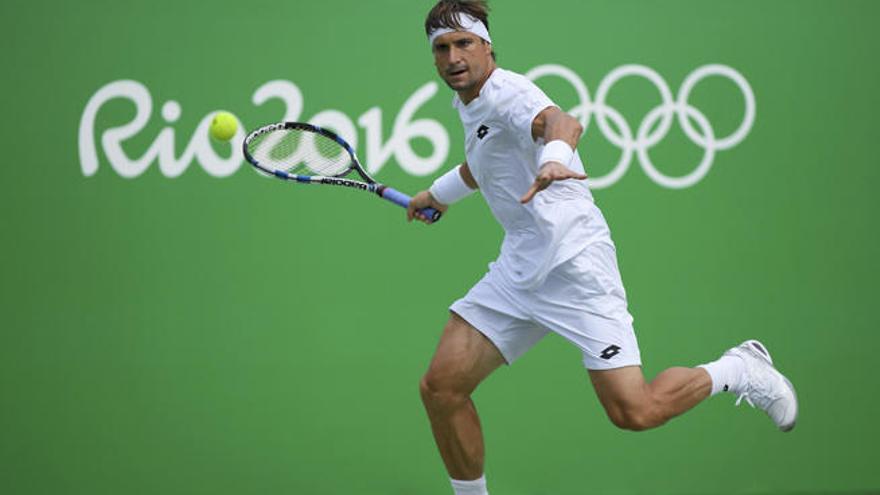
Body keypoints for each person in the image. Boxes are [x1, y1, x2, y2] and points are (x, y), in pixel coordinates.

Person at [406, 2, 798, 494]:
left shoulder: (509, 92)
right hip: (520, 266)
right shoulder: (470, 103)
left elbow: (562, 123)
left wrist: (553, 158)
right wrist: (437, 195)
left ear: (486, 46)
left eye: (464, 43)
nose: (453, 57)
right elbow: (482, 162)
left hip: (575, 263)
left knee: (635, 411)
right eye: (442, 48)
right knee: (441, 388)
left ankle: (739, 369)